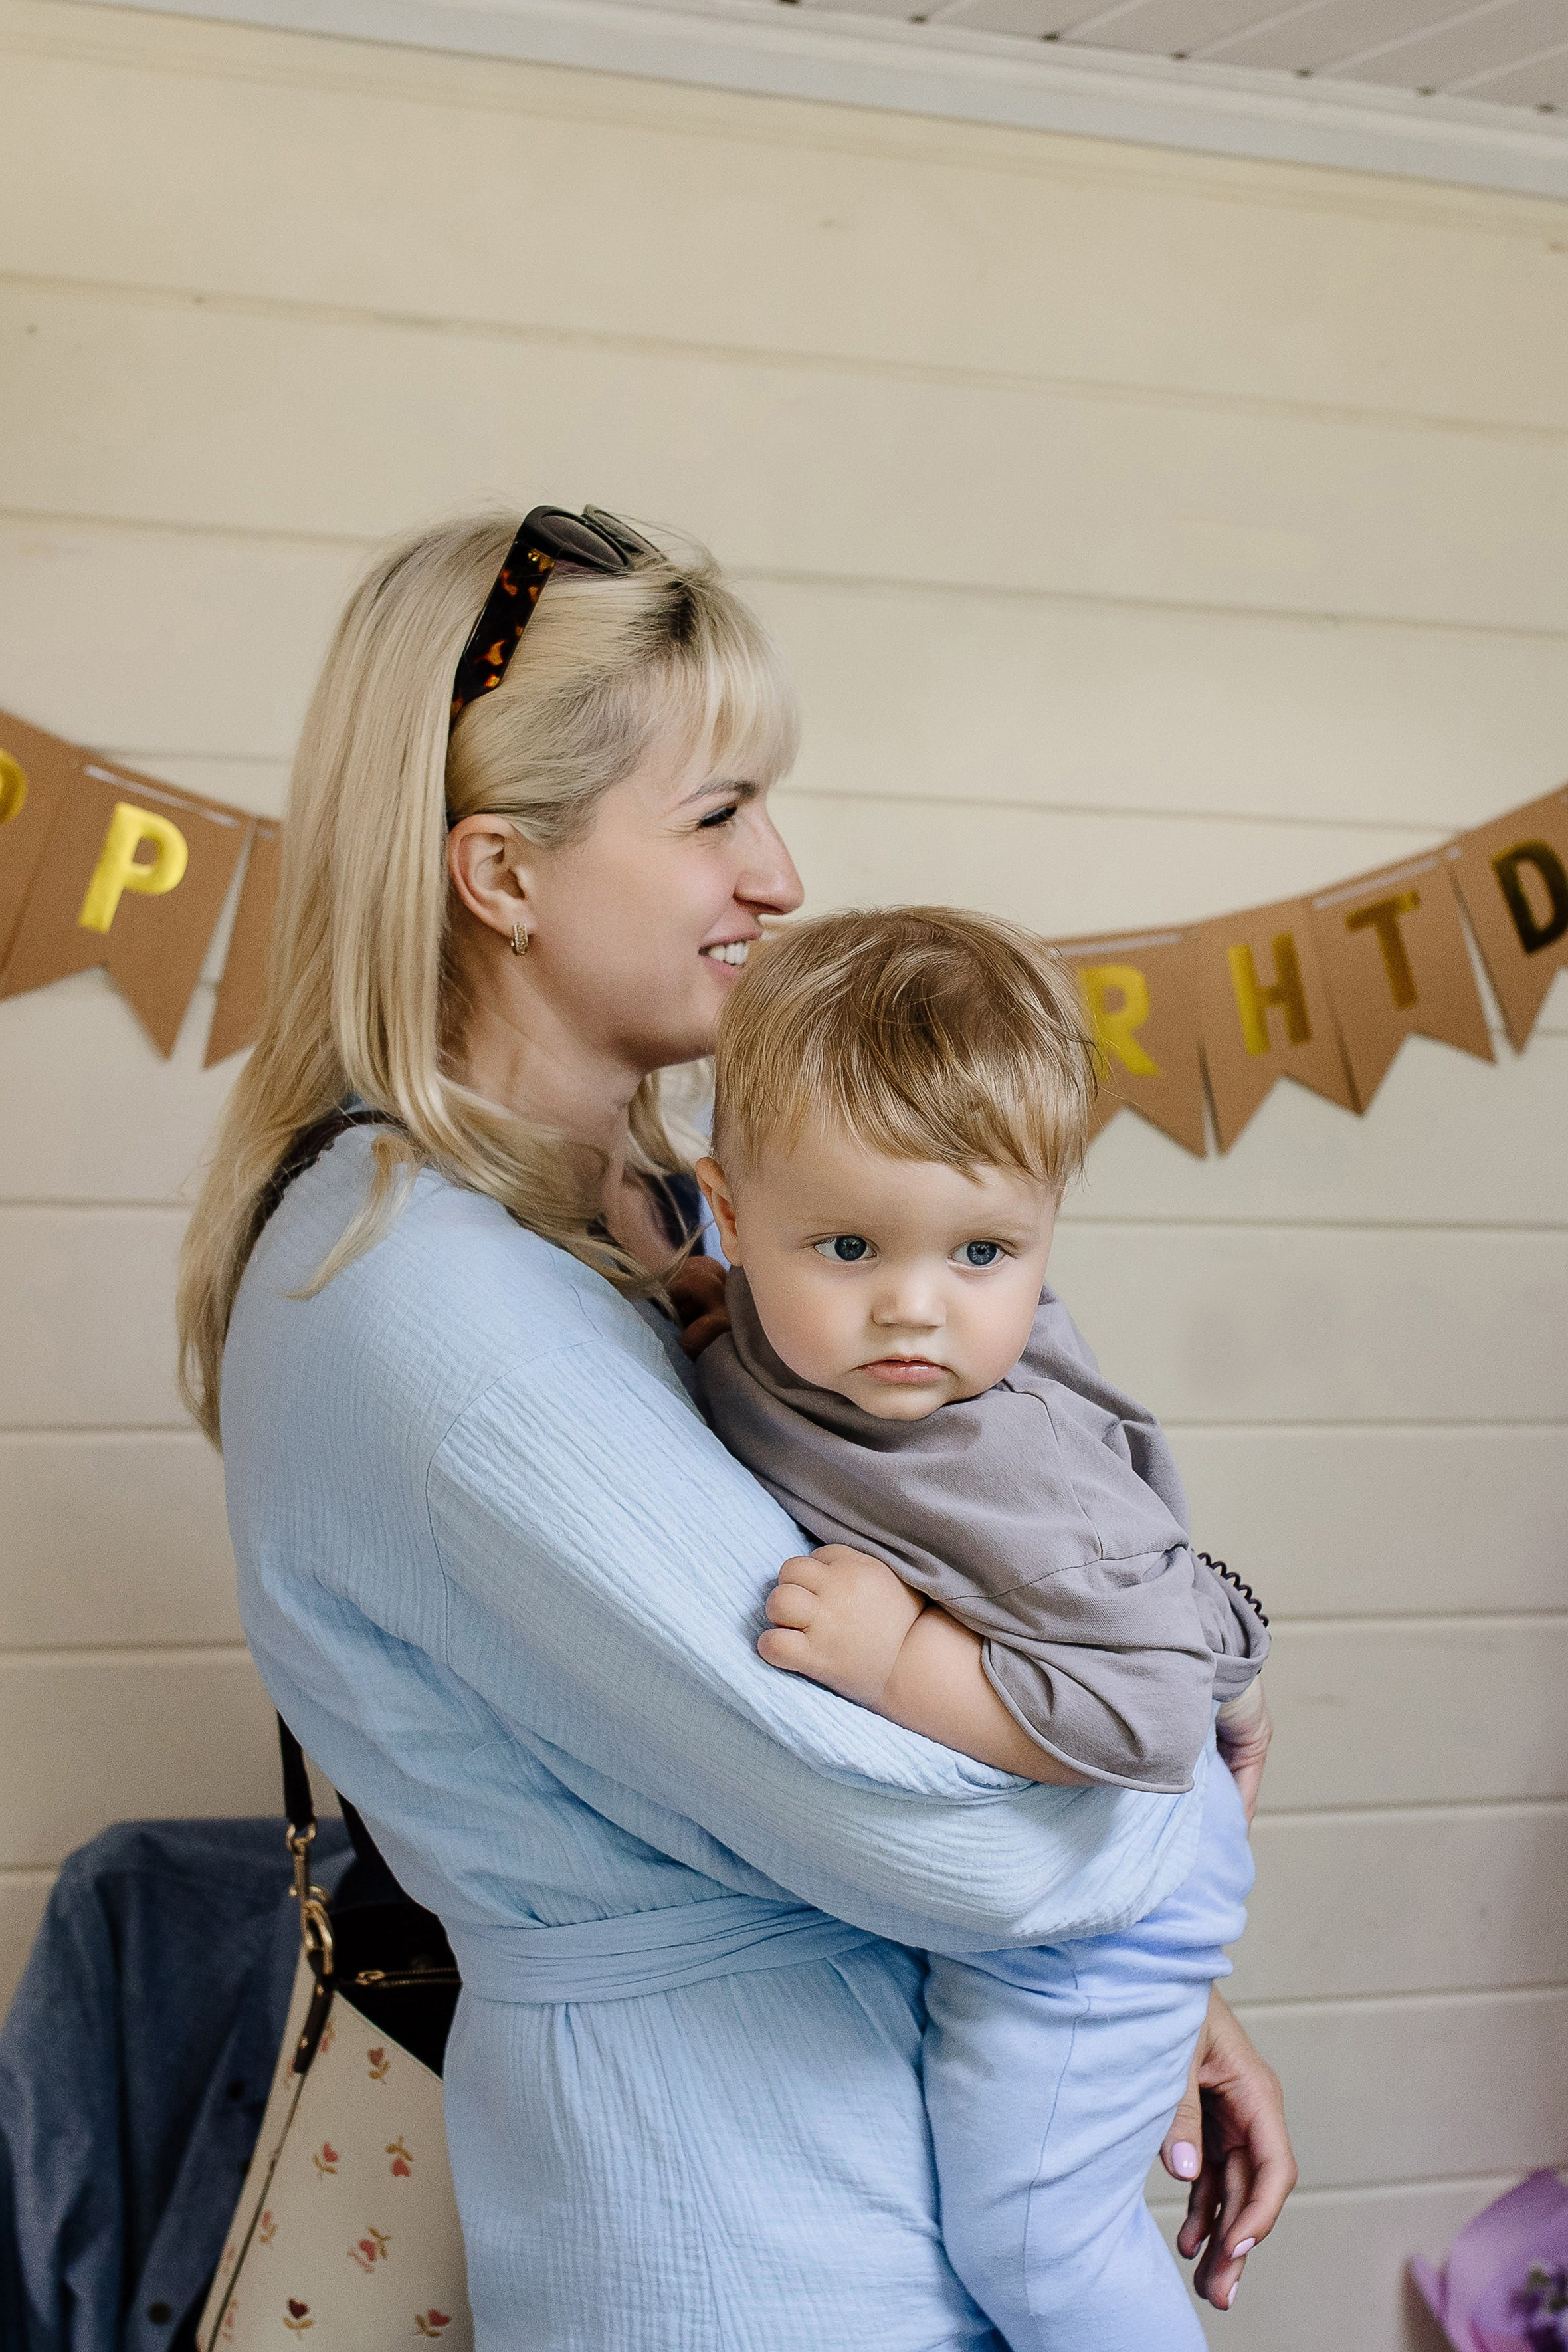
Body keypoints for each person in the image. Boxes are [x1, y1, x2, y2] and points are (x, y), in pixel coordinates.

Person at [176, 505, 1294, 2351]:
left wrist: (1153, 2002)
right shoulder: (432, 1310)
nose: (777, 873)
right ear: (501, 872)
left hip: (870, 2168)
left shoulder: (678, 1214)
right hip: (746, 2238)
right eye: (713, 814)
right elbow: (971, 1846)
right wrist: (1177, 1827)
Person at [690, 905, 1270, 2350]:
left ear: (1043, 1235)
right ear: (726, 1212)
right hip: (1038, 1863)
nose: (913, 1309)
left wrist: (900, 1661)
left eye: (984, 1254)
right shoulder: (750, 1325)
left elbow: (1147, 1721)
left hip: (1119, 1885)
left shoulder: (1004, 1471)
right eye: (845, 1243)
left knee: (1032, 2239)